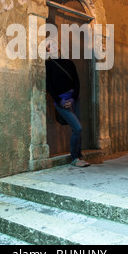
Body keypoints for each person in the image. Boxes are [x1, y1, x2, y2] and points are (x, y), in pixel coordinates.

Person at [45, 40, 90, 168]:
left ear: (58, 46)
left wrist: (73, 99)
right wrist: (60, 101)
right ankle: (74, 157)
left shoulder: (69, 63)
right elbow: (50, 86)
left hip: (74, 99)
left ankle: (79, 155)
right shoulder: (48, 65)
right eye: (49, 46)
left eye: (54, 44)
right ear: (47, 50)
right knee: (78, 127)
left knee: (77, 128)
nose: (52, 47)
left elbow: (77, 82)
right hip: (62, 101)